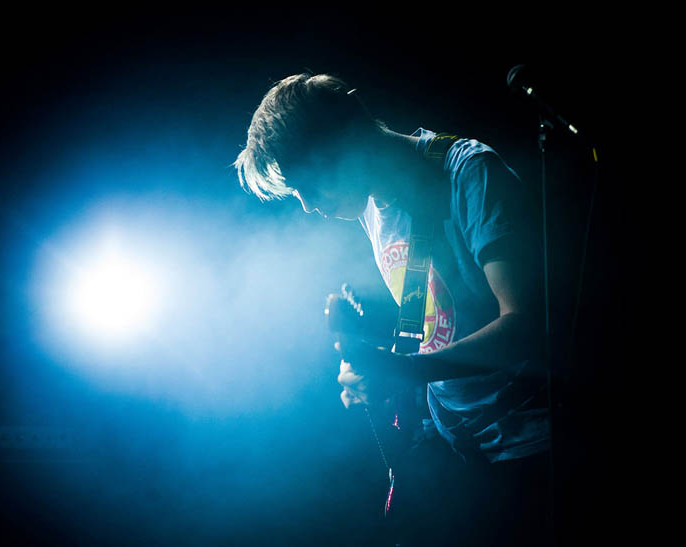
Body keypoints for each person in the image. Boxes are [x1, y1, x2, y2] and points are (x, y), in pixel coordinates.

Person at [234, 73, 552, 545]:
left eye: (309, 183)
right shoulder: (370, 208)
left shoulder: (468, 173)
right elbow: (441, 323)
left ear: (346, 137)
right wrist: (377, 366)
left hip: (530, 451)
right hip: (461, 450)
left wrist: (403, 371)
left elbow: (526, 324)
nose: (306, 205)